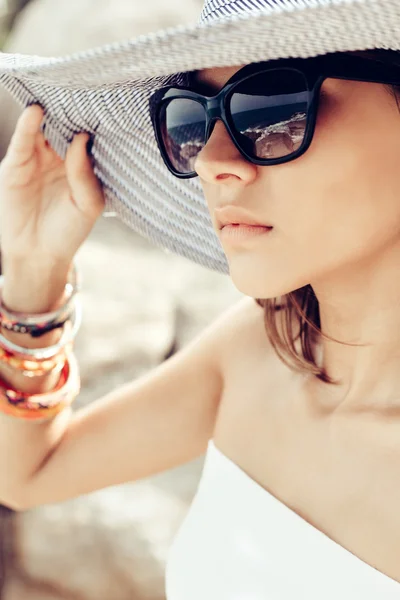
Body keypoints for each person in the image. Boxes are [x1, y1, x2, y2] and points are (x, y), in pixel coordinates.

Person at [0, 0, 400, 597]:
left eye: (271, 108)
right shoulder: (259, 353)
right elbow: (27, 473)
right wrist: (36, 271)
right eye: (191, 121)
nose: (213, 161)